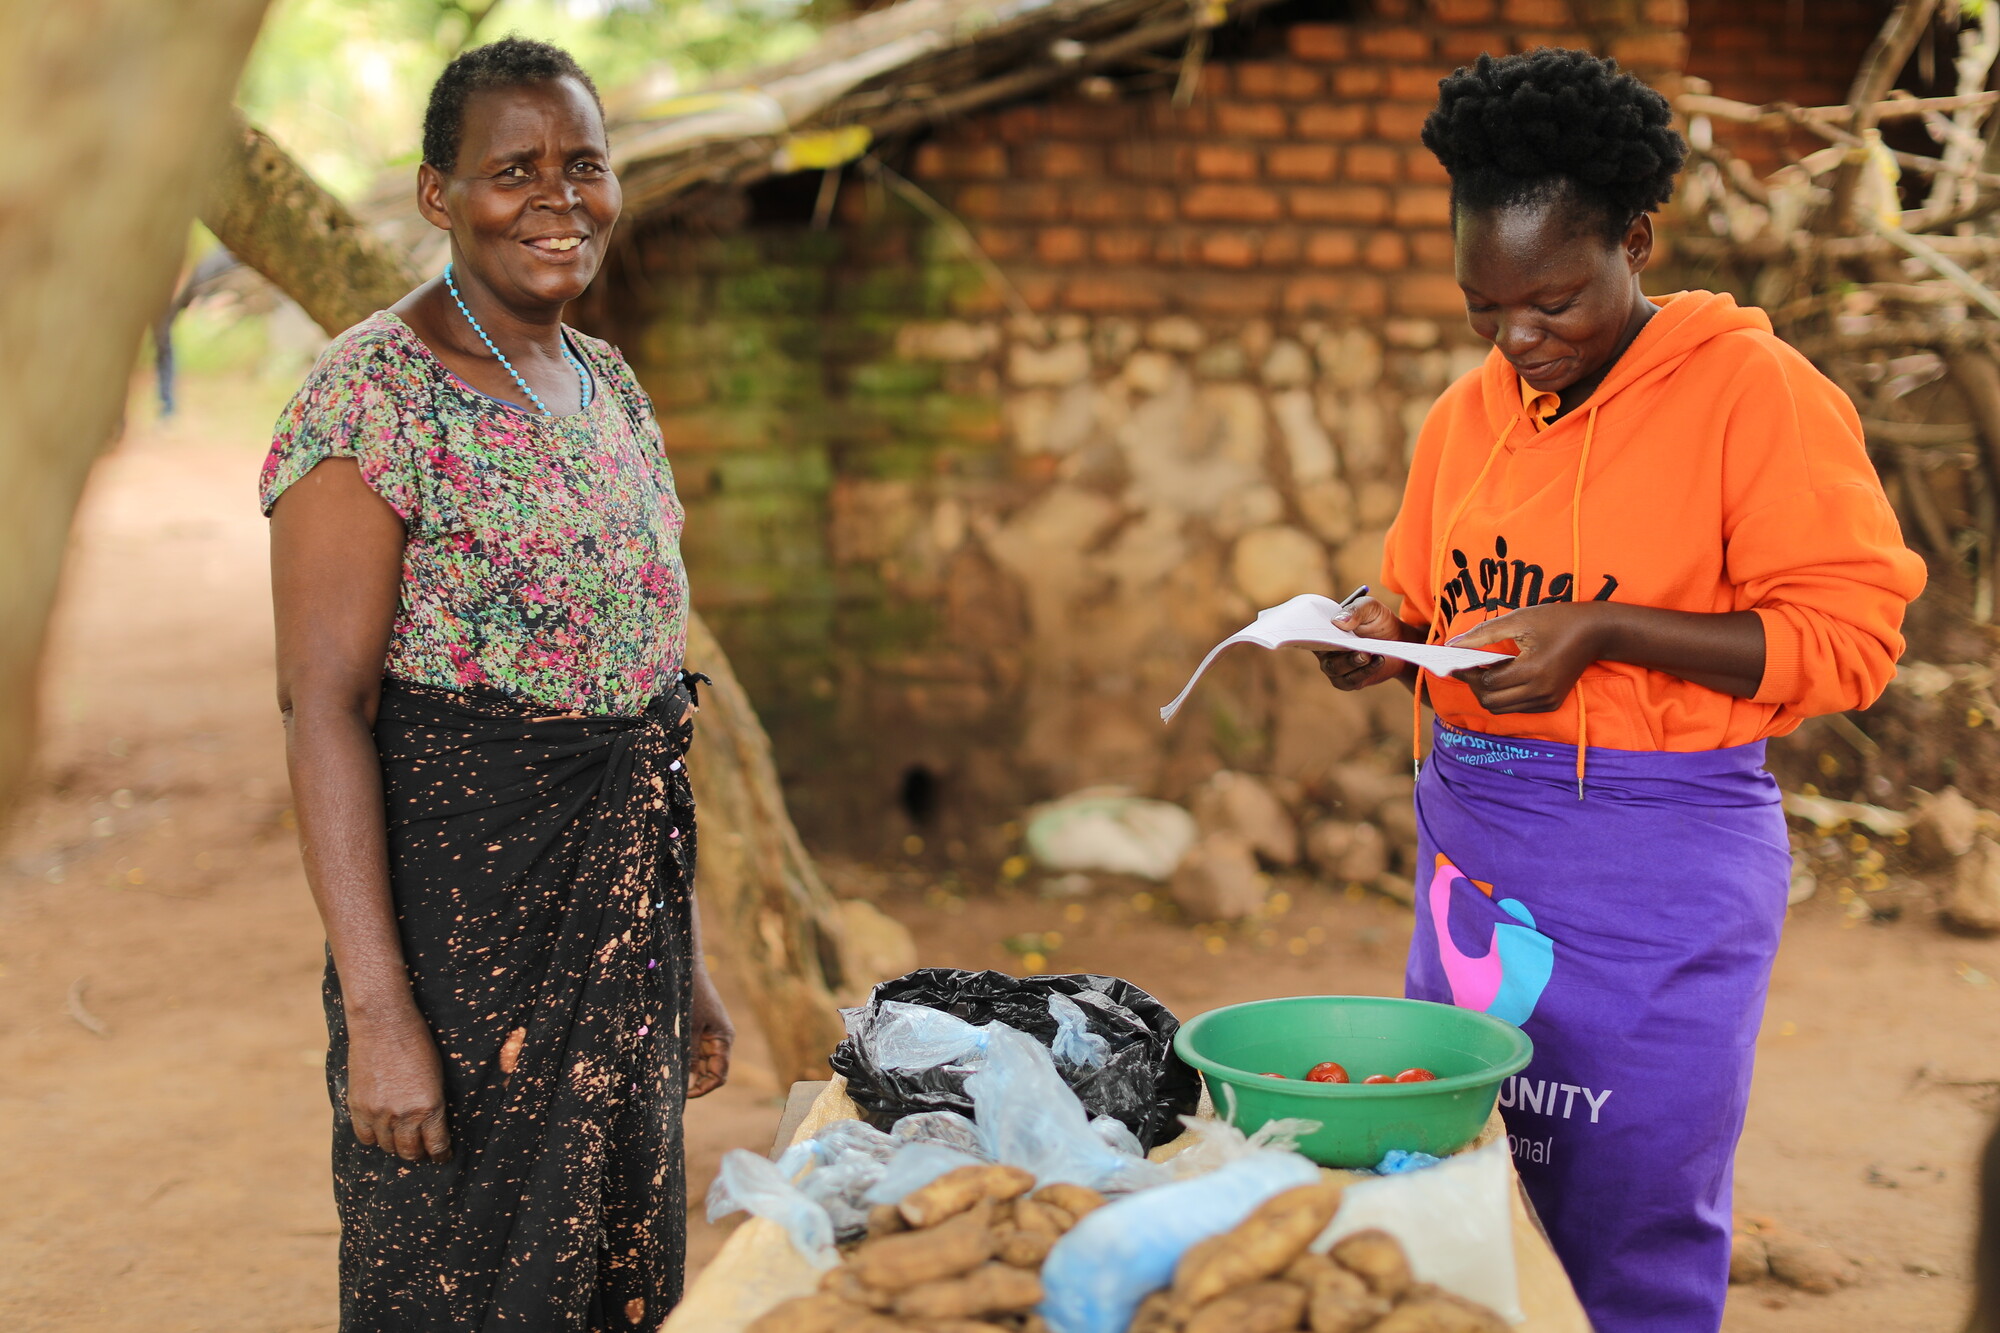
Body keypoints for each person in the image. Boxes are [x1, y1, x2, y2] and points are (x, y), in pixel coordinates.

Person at [1319, 48, 1926, 1333]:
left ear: (1634, 242)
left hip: (1657, 873)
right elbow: (1423, 598)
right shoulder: (1466, 419)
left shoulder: (1752, 396)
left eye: (1551, 302)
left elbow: (1847, 639)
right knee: (1459, 1192)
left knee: (1627, 1211)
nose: (1516, 340)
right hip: (1475, 865)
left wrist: (1602, 631)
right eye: (1483, 309)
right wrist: (1378, 633)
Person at [262, 38, 733, 1332]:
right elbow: (323, 709)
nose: (557, 199)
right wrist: (380, 1013)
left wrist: (679, 960)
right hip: (460, 945)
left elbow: (638, 707)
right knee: (460, 1277)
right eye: (512, 169)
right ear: (438, 194)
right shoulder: (373, 401)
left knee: (613, 1274)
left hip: (618, 938)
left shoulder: (609, 387)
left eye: (583, 164)